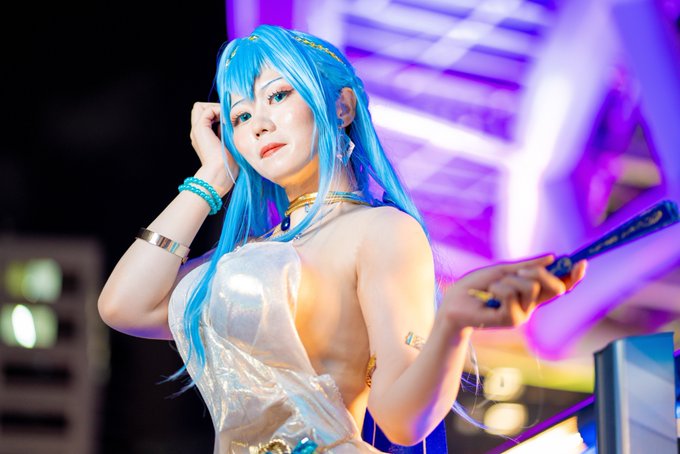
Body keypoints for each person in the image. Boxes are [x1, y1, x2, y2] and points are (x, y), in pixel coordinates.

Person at [98, 25, 586, 454]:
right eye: (241, 117)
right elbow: (123, 306)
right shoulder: (241, 254)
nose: (259, 123)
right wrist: (212, 177)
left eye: (278, 95)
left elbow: (401, 421)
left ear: (342, 106)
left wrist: (453, 324)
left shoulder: (381, 229)